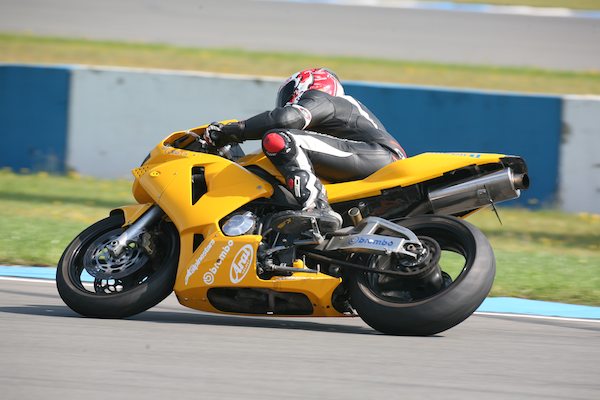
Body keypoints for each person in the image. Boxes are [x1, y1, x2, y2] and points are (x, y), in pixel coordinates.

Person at [203, 68, 406, 233]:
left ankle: (316, 206)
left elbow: (286, 119)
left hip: (379, 155)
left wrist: (230, 132)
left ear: (306, 84)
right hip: (374, 161)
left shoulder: (323, 99)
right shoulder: (333, 123)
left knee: (279, 139)